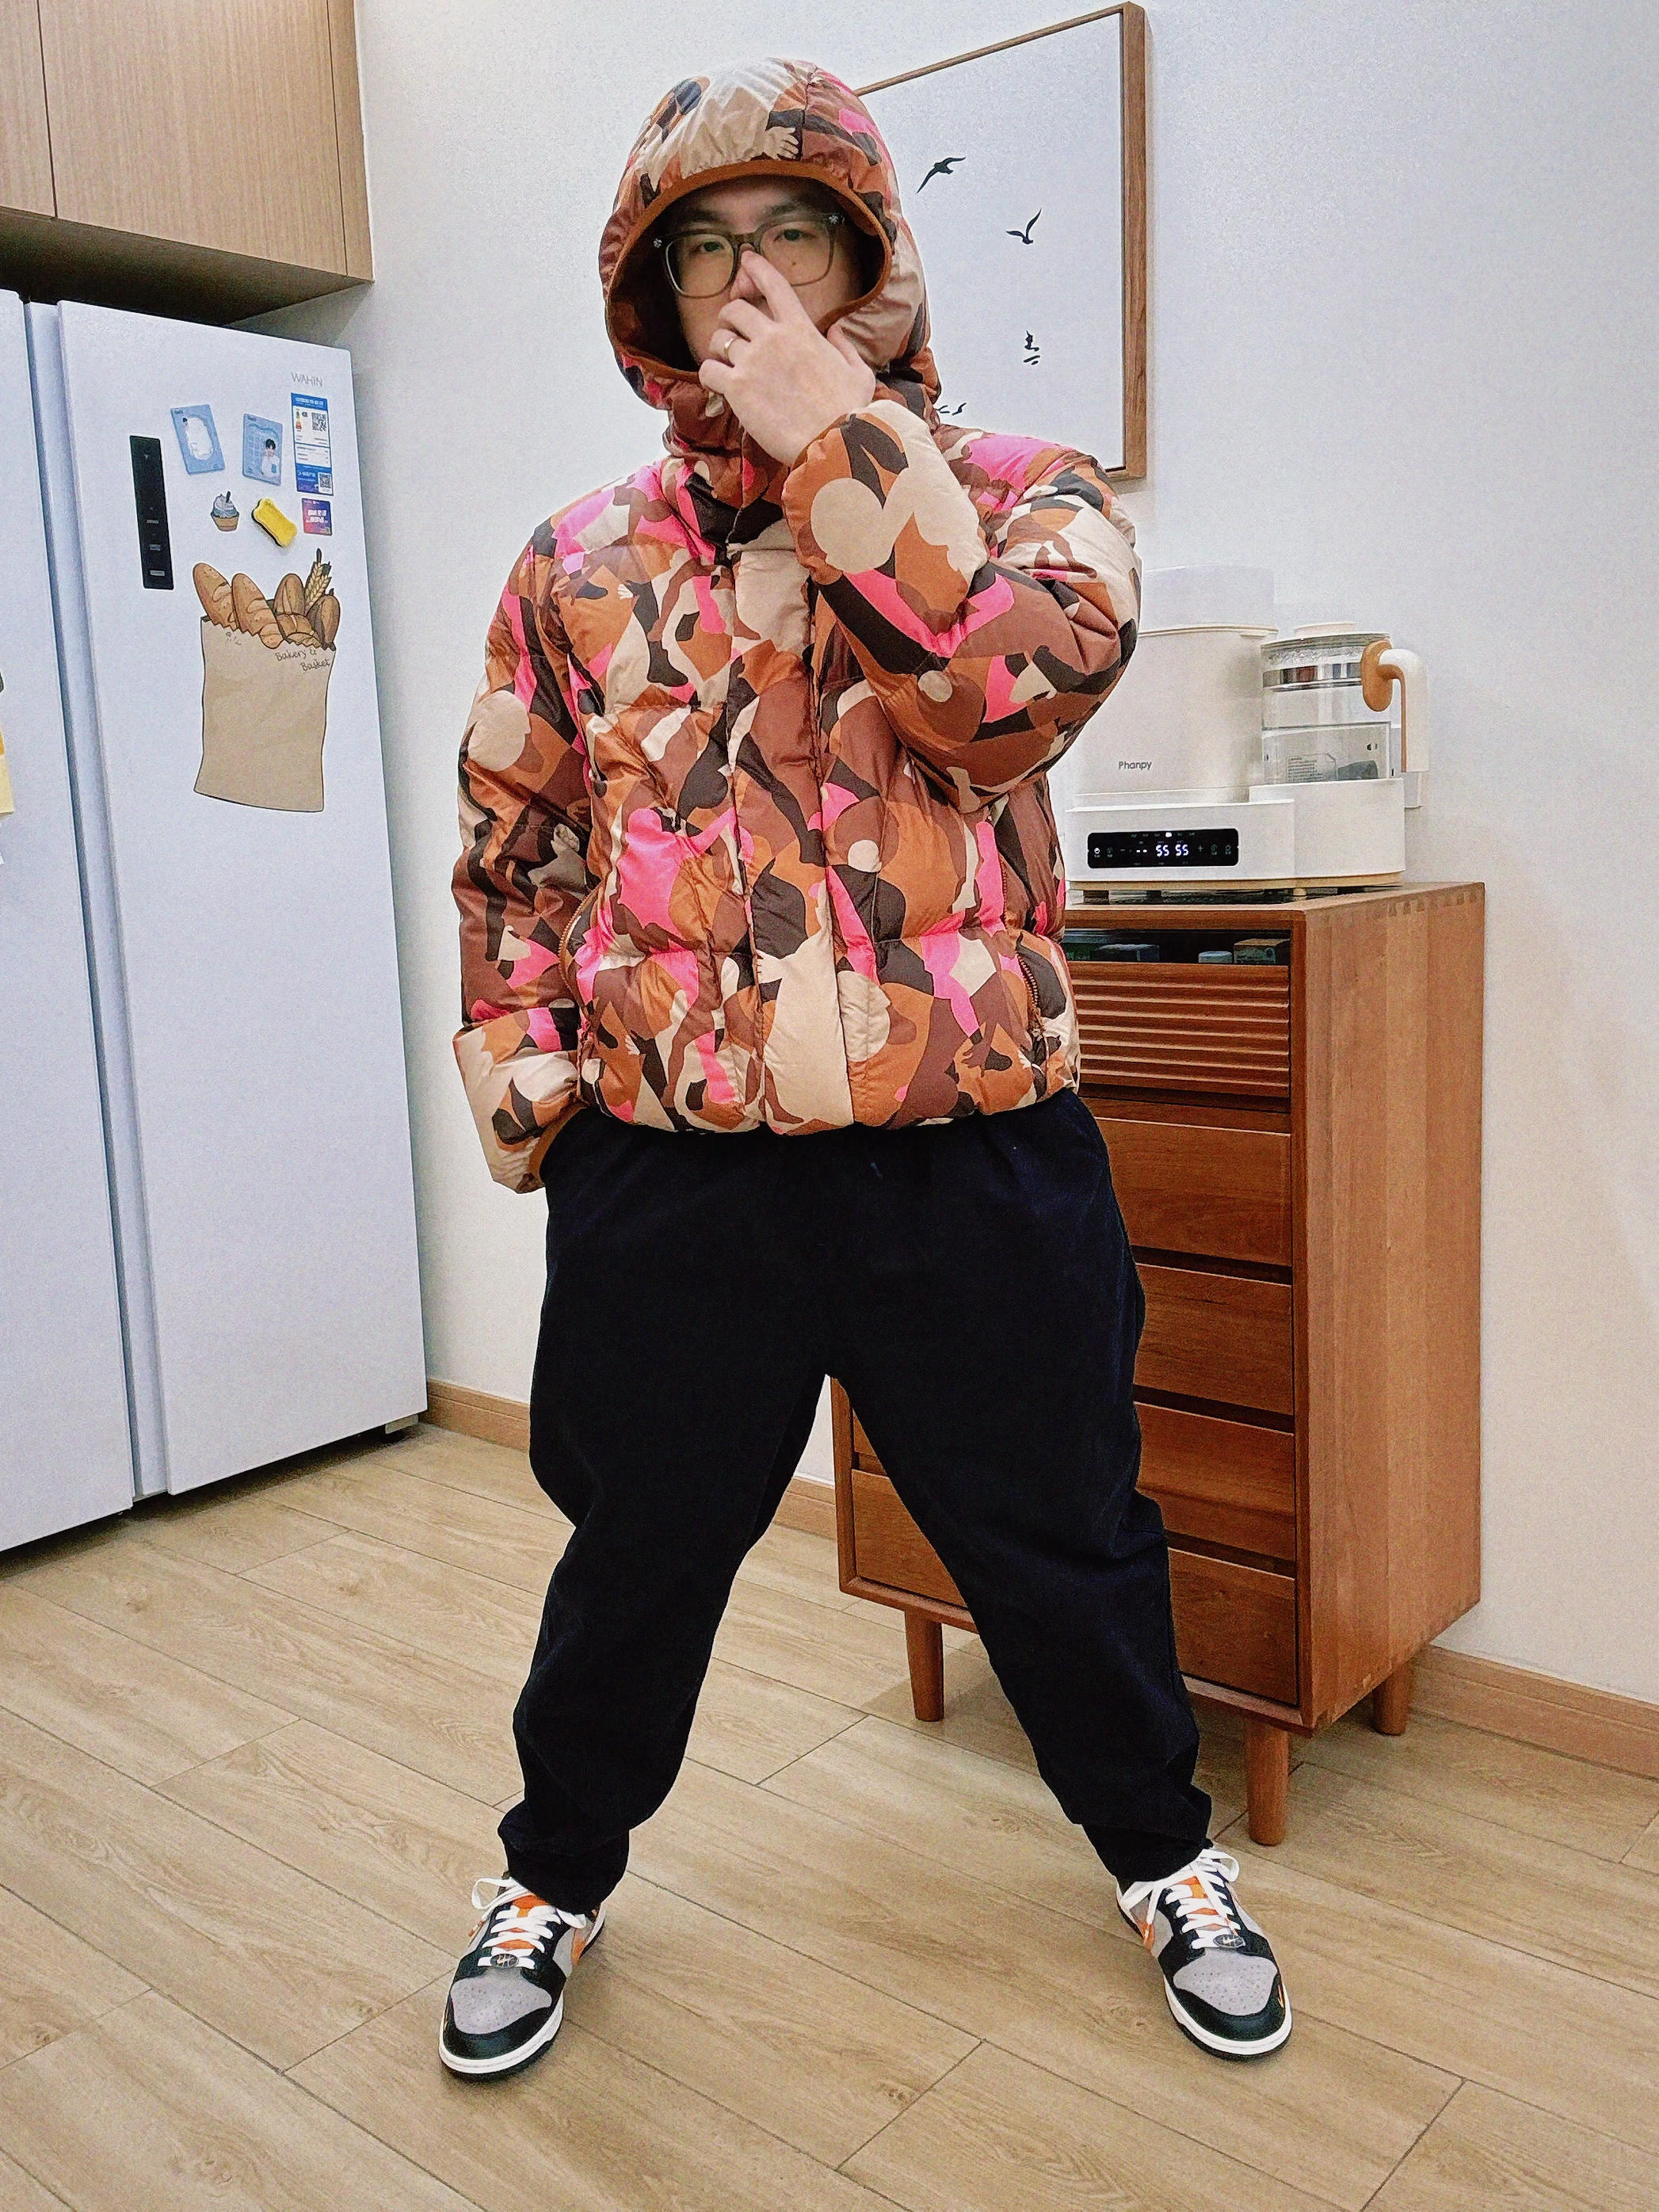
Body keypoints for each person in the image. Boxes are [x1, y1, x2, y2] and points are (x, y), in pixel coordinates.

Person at [443, 58, 1291, 2080]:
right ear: (651, 293)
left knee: (1064, 1536)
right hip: (681, 1170)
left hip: (968, 1151)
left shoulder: (1025, 496)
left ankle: (1163, 1852)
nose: (751, 284)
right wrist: (544, 1092)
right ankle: (552, 1873)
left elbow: (1004, 704)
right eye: (706, 250)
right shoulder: (576, 560)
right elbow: (514, 849)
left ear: (869, 259)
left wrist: (840, 448)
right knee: (637, 1550)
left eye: (794, 237)